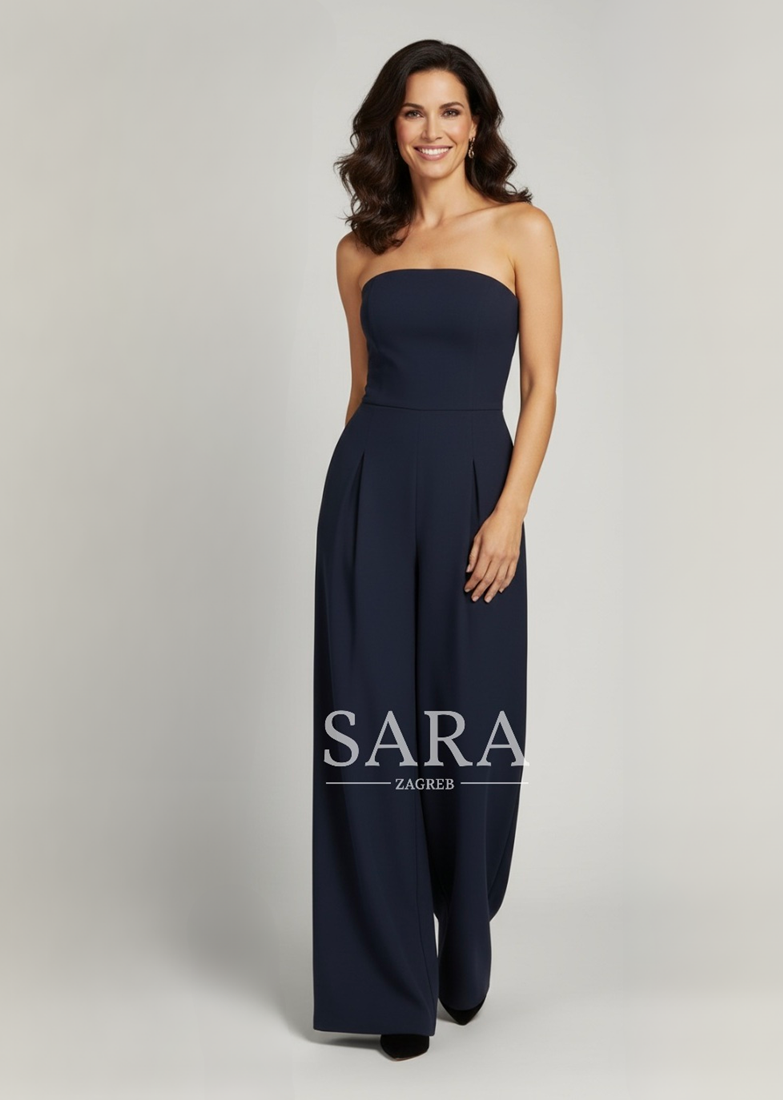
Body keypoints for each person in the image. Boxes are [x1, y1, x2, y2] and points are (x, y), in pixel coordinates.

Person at [312, 39, 561, 1061]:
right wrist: (348, 525)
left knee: (473, 732)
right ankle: (390, 979)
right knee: (368, 739)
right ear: (391, 124)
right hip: (369, 493)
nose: (431, 130)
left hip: (473, 496)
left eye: (449, 111)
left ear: (476, 123)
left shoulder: (521, 229)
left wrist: (509, 512)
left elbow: (540, 386)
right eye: (413, 112)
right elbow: (362, 390)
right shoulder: (358, 251)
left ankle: (463, 924)